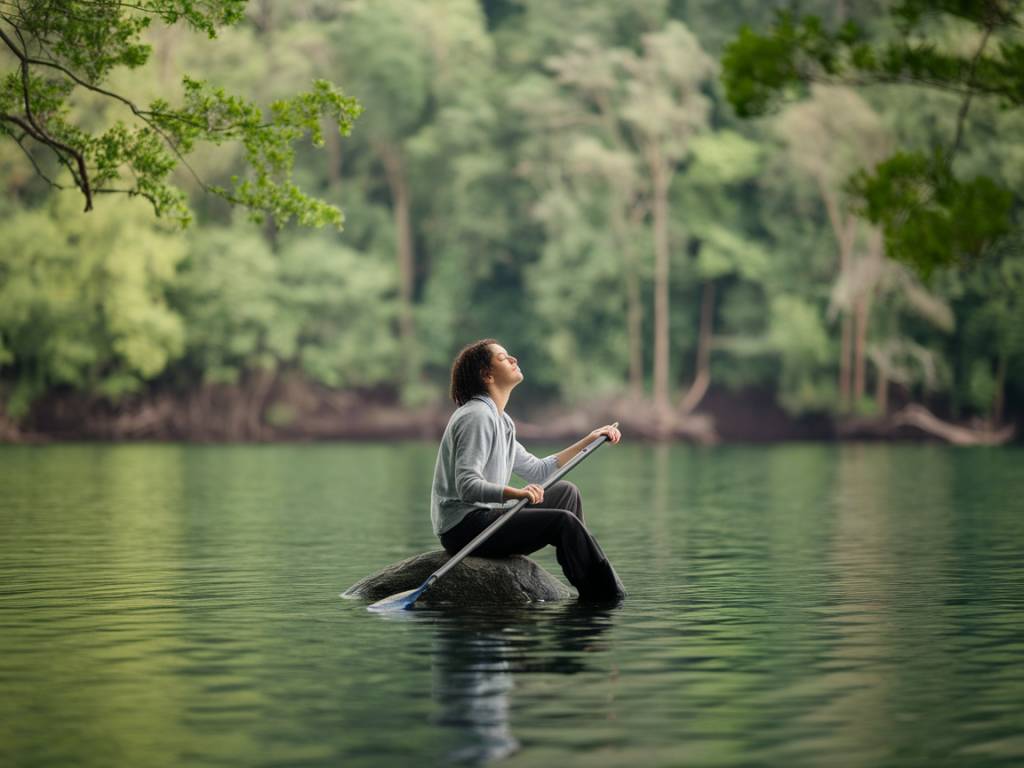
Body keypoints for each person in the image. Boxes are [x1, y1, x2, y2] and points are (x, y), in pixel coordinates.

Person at [430, 338, 626, 602]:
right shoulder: (476, 416)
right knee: (563, 522)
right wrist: (516, 494)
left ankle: (588, 574)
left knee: (566, 493)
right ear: (487, 375)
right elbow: (467, 486)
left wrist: (590, 439)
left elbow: (539, 471)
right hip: (464, 528)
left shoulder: (502, 421)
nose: (513, 360)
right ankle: (603, 594)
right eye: (503, 358)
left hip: (487, 518)